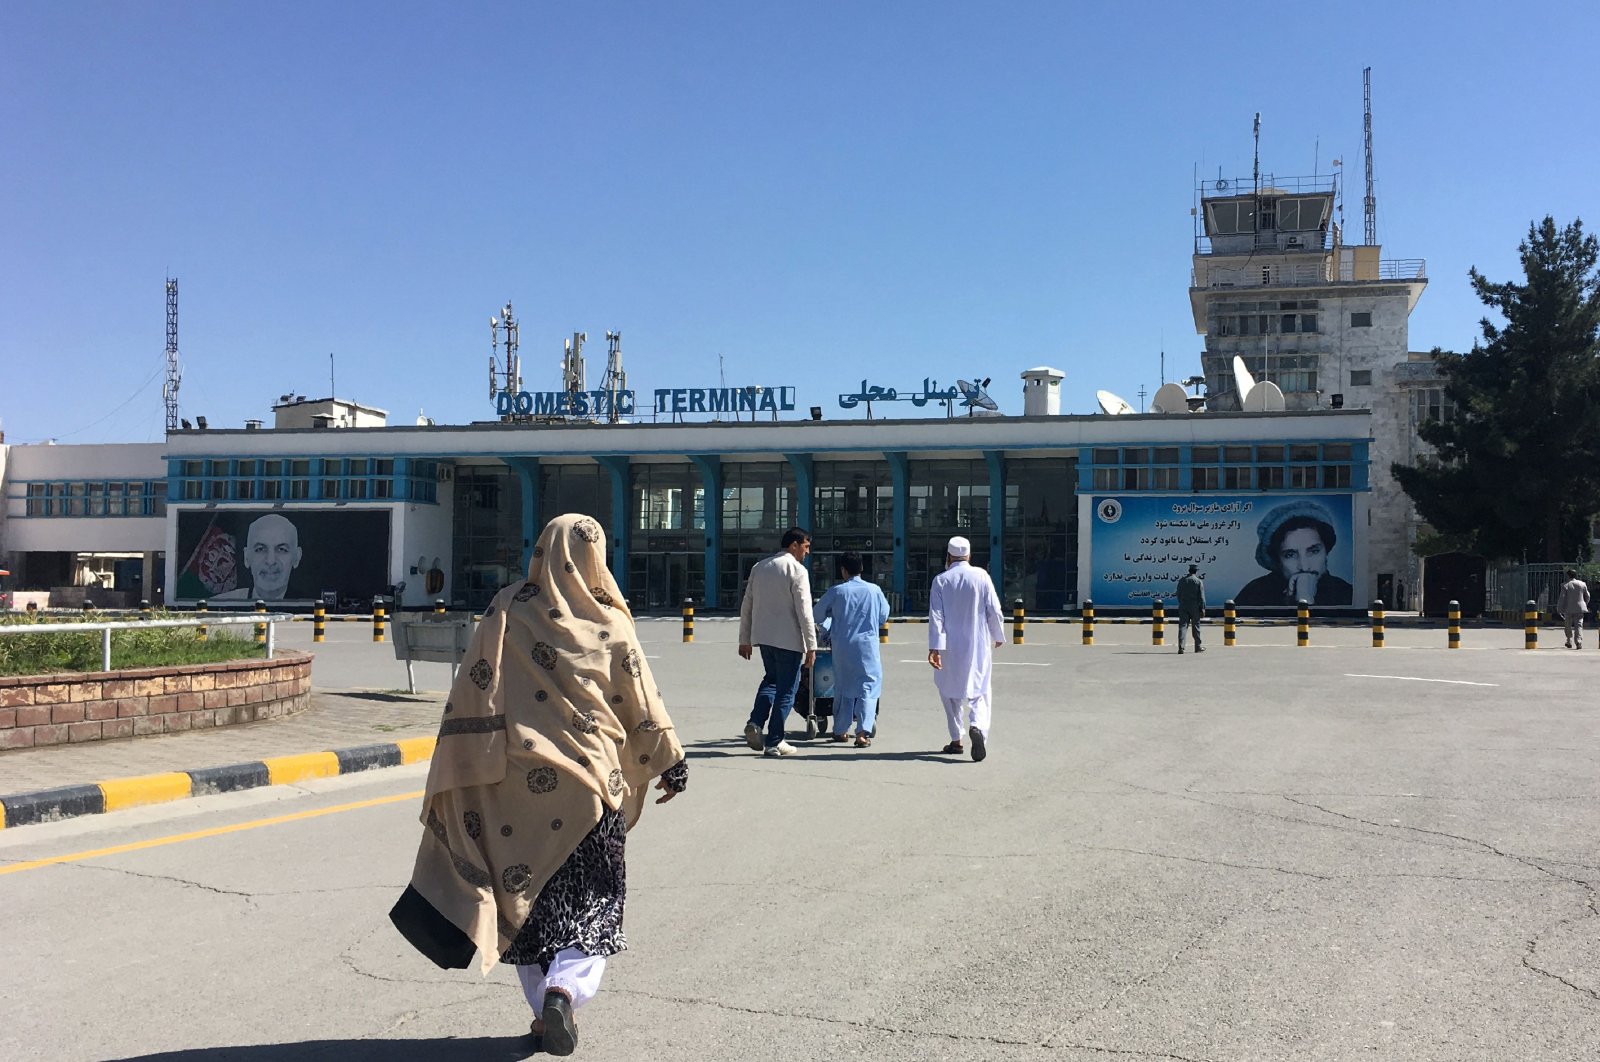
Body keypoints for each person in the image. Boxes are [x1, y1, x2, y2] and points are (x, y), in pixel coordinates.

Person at [388, 513, 687, 1056]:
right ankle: (564, 991)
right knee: (595, 899)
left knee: (523, 897)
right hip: (593, 786)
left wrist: (464, 763)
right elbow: (642, 702)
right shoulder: (612, 622)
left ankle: (542, 1008)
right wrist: (672, 762)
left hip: (515, 783)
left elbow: (476, 690)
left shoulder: (507, 609)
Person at [738, 527, 818, 758]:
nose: (807, 552)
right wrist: (811, 645)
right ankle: (774, 741)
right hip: (789, 639)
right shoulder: (797, 570)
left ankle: (755, 722)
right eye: (805, 546)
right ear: (793, 545)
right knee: (787, 691)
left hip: (763, 637)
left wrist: (745, 639)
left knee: (771, 681)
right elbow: (804, 611)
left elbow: (748, 605)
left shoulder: (759, 567)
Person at [927, 535, 1004, 762]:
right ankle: (977, 726)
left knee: (948, 691)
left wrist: (935, 648)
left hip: (950, 646)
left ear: (948, 556)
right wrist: (998, 634)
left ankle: (956, 739)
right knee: (979, 689)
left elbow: (936, 616)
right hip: (978, 643)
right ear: (969, 555)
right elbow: (994, 608)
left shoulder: (941, 580)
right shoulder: (981, 576)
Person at [813, 551, 891, 747]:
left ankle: (840, 730)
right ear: (862, 569)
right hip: (867, 648)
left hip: (842, 647)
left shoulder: (837, 591)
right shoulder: (874, 590)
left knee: (843, 688)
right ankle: (863, 732)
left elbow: (816, 614)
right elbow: (883, 616)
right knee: (868, 687)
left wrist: (830, 622)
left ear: (843, 570)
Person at [1234, 500, 1354, 606]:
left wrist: (1306, 600)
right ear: (1277, 561)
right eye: (1290, 555)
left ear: (1326, 551)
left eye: (1313, 551)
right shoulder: (1255, 593)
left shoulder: (1345, 593)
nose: (1304, 566)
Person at [213, 514, 302, 601]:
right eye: (260, 549)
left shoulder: (310, 606)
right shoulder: (218, 606)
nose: (270, 561)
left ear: (296, 557)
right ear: (246, 557)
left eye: (281, 549)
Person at [1175, 563, 1206, 654]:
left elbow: (1178, 594)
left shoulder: (1182, 581)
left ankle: (1181, 647)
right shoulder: (1198, 581)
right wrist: (1202, 608)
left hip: (1184, 606)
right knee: (1196, 627)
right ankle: (1198, 646)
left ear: (1189, 571)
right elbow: (1201, 597)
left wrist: (1182, 602)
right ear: (1196, 571)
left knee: (1183, 626)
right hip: (1195, 607)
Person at [1557, 569, 1590, 649]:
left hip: (1568, 608)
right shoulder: (1582, 584)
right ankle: (1578, 641)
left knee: (1568, 625)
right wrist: (1585, 604)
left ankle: (1569, 640)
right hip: (1580, 608)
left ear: (1568, 576)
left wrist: (1559, 608)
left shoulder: (1565, 585)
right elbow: (1588, 596)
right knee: (1579, 625)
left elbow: (1562, 598)